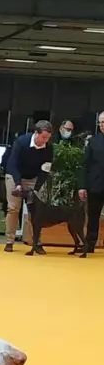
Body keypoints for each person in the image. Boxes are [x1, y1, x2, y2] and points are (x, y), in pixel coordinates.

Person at [3, 120, 53, 253]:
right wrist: (18, 184)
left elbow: (45, 170)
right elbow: (12, 163)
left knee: (36, 211)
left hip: (34, 178)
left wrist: (36, 188)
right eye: (43, 137)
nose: (45, 140)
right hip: (15, 175)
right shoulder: (21, 142)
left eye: (48, 138)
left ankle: (36, 242)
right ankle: (9, 241)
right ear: (36, 133)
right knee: (13, 208)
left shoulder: (49, 147)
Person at [79, 110, 104, 257]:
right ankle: (89, 245)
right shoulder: (93, 141)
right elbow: (84, 165)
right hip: (95, 185)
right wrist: (82, 186)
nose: (102, 125)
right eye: (100, 122)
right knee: (93, 217)